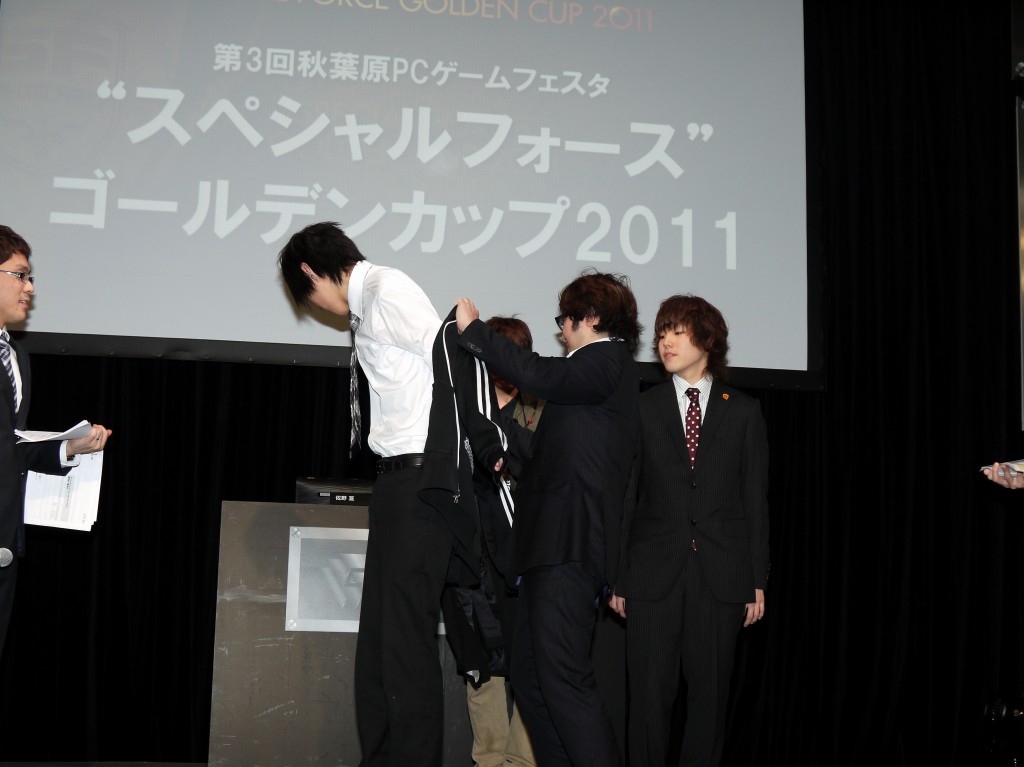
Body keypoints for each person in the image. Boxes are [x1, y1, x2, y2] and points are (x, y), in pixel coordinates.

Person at [454, 270, 642, 767]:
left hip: (569, 548)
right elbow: (547, 458)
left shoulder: (606, 359)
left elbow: (539, 374)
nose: (561, 330)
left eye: (565, 319)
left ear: (591, 318)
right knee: (532, 679)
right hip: (547, 549)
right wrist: (503, 448)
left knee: (562, 678)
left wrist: (476, 332)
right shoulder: (592, 380)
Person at [278, 221, 447, 767]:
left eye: (306, 293)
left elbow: (451, 361)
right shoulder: (369, 301)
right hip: (396, 482)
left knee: (405, 644)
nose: (315, 306)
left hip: (420, 481)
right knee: (377, 645)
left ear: (311, 271)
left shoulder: (388, 291)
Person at [610, 294, 769, 767]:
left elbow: (754, 502)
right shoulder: (643, 408)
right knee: (647, 704)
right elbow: (626, 498)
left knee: (709, 705)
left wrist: (756, 579)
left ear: (707, 339)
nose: (665, 342)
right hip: (650, 576)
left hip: (721, 577)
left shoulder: (743, 411)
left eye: (677, 331)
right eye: (661, 333)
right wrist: (618, 576)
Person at [0, 225, 111, 660]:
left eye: (30, 278)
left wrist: (68, 449)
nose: (30, 288)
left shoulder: (16, 355)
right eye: (20, 275)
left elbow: (10, 444)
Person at [443, 316, 542, 767]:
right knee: (481, 668)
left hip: (525, 558)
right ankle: (488, 759)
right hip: (471, 558)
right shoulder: (461, 409)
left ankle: (522, 761)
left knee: (530, 666)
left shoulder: (542, 413)